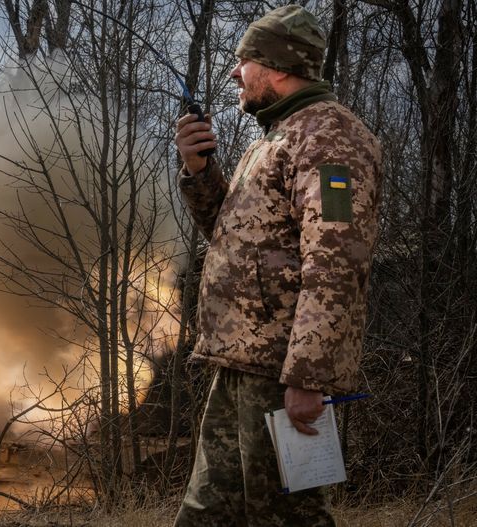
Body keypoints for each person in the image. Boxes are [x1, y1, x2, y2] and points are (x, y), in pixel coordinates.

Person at [172, 5, 382, 526]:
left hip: (280, 372)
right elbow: (234, 237)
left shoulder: (329, 138)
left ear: (279, 68)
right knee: (207, 515)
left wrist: (308, 375)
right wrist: (200, 171)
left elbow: (336, 261)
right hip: (240, 366)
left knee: (289, 518)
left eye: (244, 62)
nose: (234, 74)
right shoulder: (274, 138)